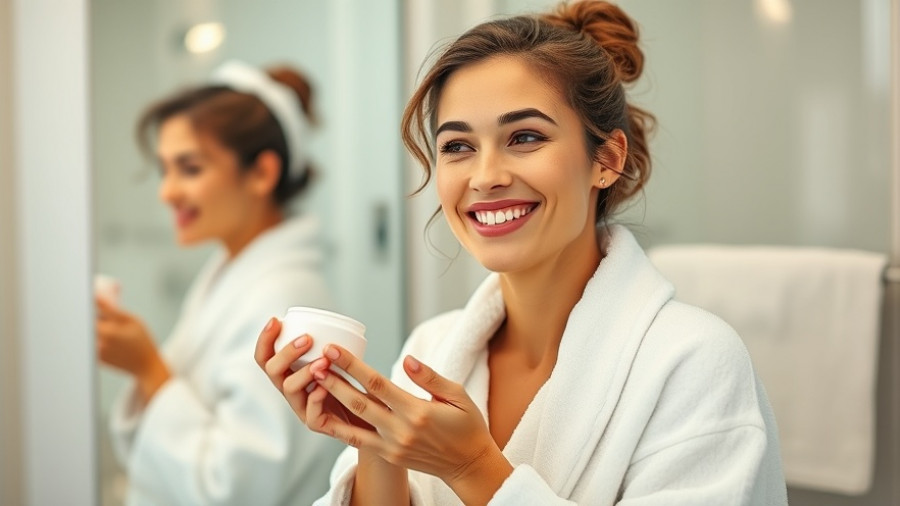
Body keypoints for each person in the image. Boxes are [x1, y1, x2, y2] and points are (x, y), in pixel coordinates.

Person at [255, 1, 789, 504]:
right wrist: (375, 442)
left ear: (606, 157)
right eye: (458, 147)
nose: (486, 177)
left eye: (525, 137)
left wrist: (472, 470)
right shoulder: (434, 347)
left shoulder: (693, 361)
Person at [96, 60, 343, 506]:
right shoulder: (231, 270)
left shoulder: (282, 299)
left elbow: (236, 488)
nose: (166, 192)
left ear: (262, 174)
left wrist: (147, 368)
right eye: (164, 170)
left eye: (189, 169)